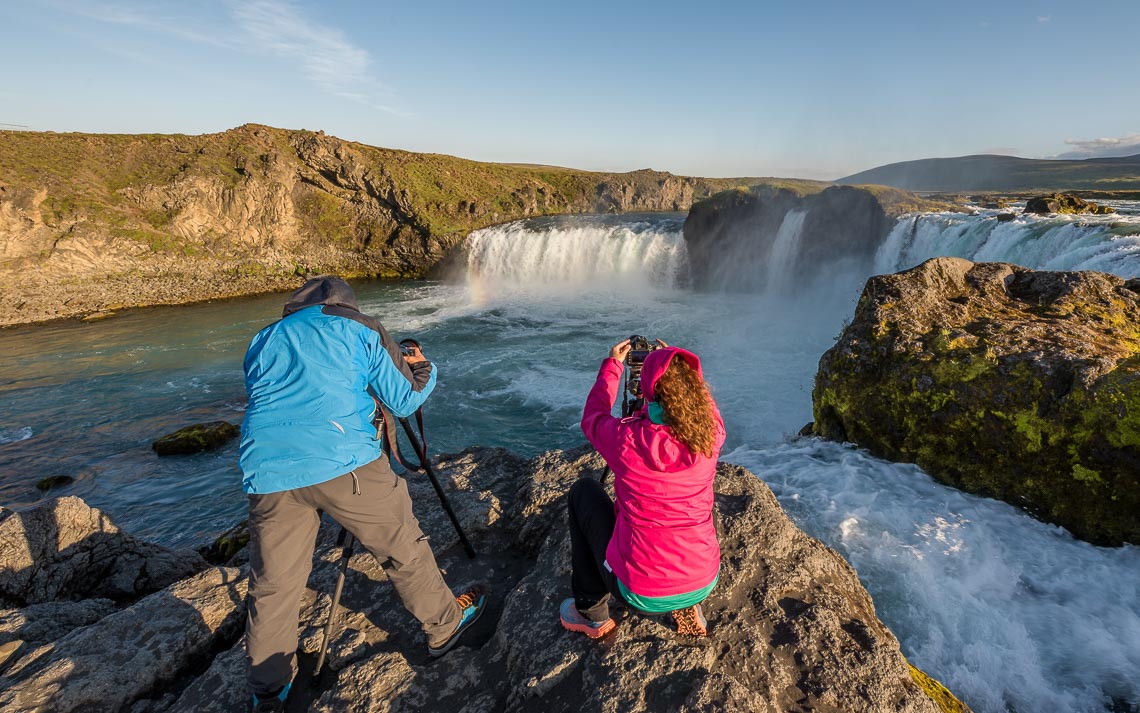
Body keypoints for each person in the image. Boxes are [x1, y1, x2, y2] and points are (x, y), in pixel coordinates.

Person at [238, 276, 486, 713]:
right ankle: (445, 626)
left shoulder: (264, 338)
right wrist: (423, 367)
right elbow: (405, 399)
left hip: (268, 470)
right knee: (400, 546)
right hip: (344, 461)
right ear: (344, 305)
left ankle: (268, 688)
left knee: (273, 584)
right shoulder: (360, 328)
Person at [562, 338, 725, 639]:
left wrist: (613, 367)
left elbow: (593, 418)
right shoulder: (712, 434)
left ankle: (590, 612)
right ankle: (688, 605)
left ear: (649, 393)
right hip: (704, 579)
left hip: (640, 592)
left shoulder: (627, 441)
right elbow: (701, 405)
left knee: (583, 492)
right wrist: (673, 363)